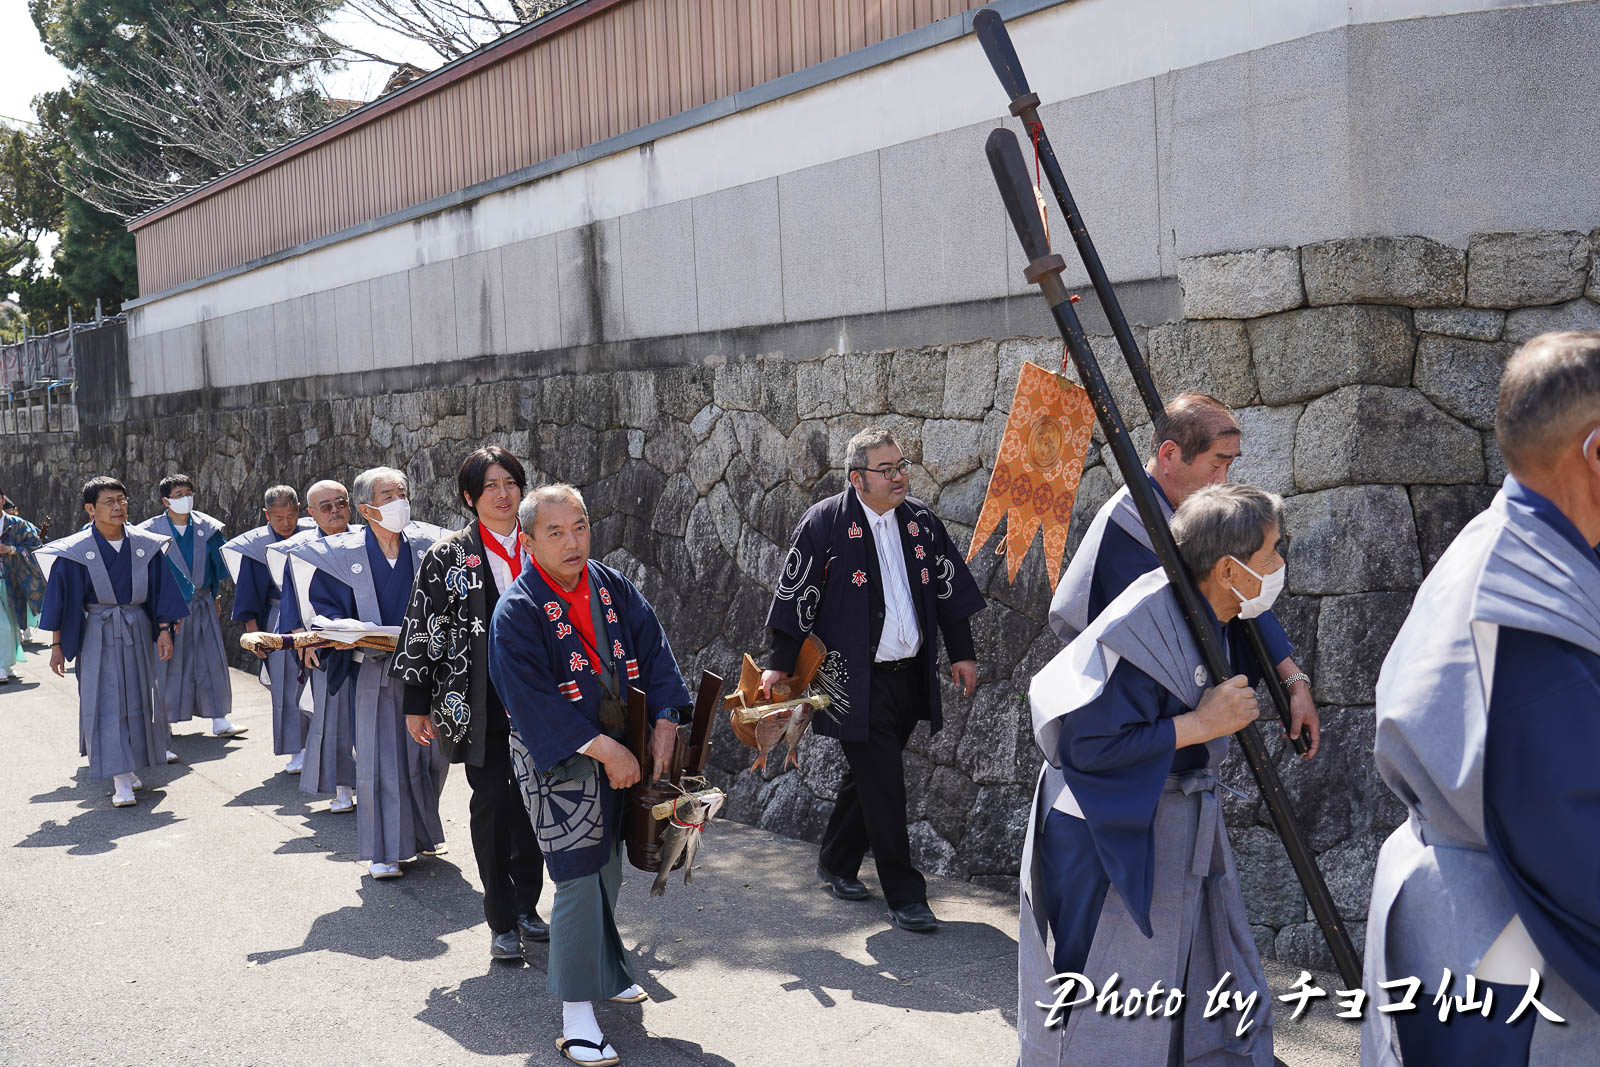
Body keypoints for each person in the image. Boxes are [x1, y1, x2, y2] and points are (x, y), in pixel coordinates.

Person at [1362, 330, 1600, 1066]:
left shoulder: (1508, 544)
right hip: (1511, 945)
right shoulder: (1525, 606)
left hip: (1475, 918)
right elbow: (1572, 841)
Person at [1020, 483, 1281, 1065]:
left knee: (1163, 982)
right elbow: (1089, 746)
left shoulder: (1211, 609)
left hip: (1163, 811)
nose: (1279, 566)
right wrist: (1201, 724)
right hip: (1097, 822)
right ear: (1228, 569)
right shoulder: (1149, 623)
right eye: (1271, 554)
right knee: (1092, 989)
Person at [489, 484, 691, 1066]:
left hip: (622, 743)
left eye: (579, 527)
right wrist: (606, 750)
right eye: (555, 532)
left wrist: (666, 719)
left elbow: (654, 652)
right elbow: (531, 701)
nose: (572, 541)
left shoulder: (611, 585)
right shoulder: (518, 610)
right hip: (558, 757)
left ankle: (606, 970)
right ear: (528, 543)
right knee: (578, 874)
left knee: (609, 865)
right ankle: (575, 1015)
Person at [760, 427, 985, 933]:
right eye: (887, 470)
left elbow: (948, 589)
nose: (900, 476)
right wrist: (779, 663)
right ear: (857, 479)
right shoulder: (824, 523)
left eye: (902, 465)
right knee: (884, 782)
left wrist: (962, 653)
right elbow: (795, 595)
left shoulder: (921, 522)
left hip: (909, 674)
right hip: (851, 680)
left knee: (869, 776)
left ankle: (836, 859)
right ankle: (906, 895)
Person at [1050, 392, 1318, 757]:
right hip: (1134, 748)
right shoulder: (1127, 527)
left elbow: (1237, 590)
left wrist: (1293, 678)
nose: (1222, 481)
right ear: (1170, 455)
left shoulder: (1181, 511)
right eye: (1216, 465)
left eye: (1229, 466)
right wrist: (1201, 722)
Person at [393, 447, 549, 960]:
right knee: (493, 805)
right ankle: (502, 919)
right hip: (480, 702)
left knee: (536, 806)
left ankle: (528, 905)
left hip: (544, 700)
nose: (503, 494)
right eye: (490, 486)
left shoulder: (543, 541)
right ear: (469, 497)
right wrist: (417, 701)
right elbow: (425, 626)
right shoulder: (448, 556)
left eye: (511, 483)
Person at [278, 467, 448, 879]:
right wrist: (343, 628)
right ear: (367, 508)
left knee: (433, 756)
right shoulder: (341, 553)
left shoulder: (429, 544)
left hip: (430, 667)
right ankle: (384, 850)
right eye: (389, 496)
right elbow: (324, 608)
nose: (400, 502)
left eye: (402, 493)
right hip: (375, 669)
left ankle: (421, 833)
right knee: (382, 759)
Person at [37, 477, 190, 807]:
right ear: (90, 509)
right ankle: (120, 777)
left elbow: (162, 589)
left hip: (137, 627)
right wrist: (57, 646)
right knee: (106, 701)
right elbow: (60, 601)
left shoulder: (146, 545)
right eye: (109, 502)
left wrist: (165, 630)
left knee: (139, 697)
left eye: (122, 499)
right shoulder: (76, 551)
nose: (118, 507)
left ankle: (130, 765)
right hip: (98, 631)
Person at [272, 480, 358, 811]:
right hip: (324, 646)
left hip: (371, 642)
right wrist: (303, 642)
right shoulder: (300, 552)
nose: (335, 510)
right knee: (333, 717)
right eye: (326, 506)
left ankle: (372, 785)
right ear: (311, 513)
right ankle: (341, 788)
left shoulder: (368, 539)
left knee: (372, 719)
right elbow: (291, 602)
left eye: (341, 503)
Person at [138, 473, 241, 738]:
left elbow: (217, 567)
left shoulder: (208, 528)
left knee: (211, 659)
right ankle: (164, 721)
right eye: (178, 495)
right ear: (165, 501)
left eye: (188, 493)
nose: (185, 499)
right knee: (167, 662)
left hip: (202, 601)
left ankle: (219, 717)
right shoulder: (149, 532)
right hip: (167, 607)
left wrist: (215, 596)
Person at [222, 486, 314, 774]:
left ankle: (320, 746)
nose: (286, 523)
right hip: (277, 618)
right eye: (278, 518)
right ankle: (296, 749)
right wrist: (254, 633)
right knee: (287, 686)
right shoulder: (256, 546)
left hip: (314, 616)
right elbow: (248, 593)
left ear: (299, 510)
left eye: (291, 515)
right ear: (266, 515)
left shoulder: (313, 534)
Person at [0, 487, 45, 682]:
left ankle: (7, 664)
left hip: (12, 581)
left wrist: (11, 549)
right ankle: (1, 666)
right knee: (2, 625)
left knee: (11, 625)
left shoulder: (18, 525)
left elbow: (36, 548)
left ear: (2, 500)